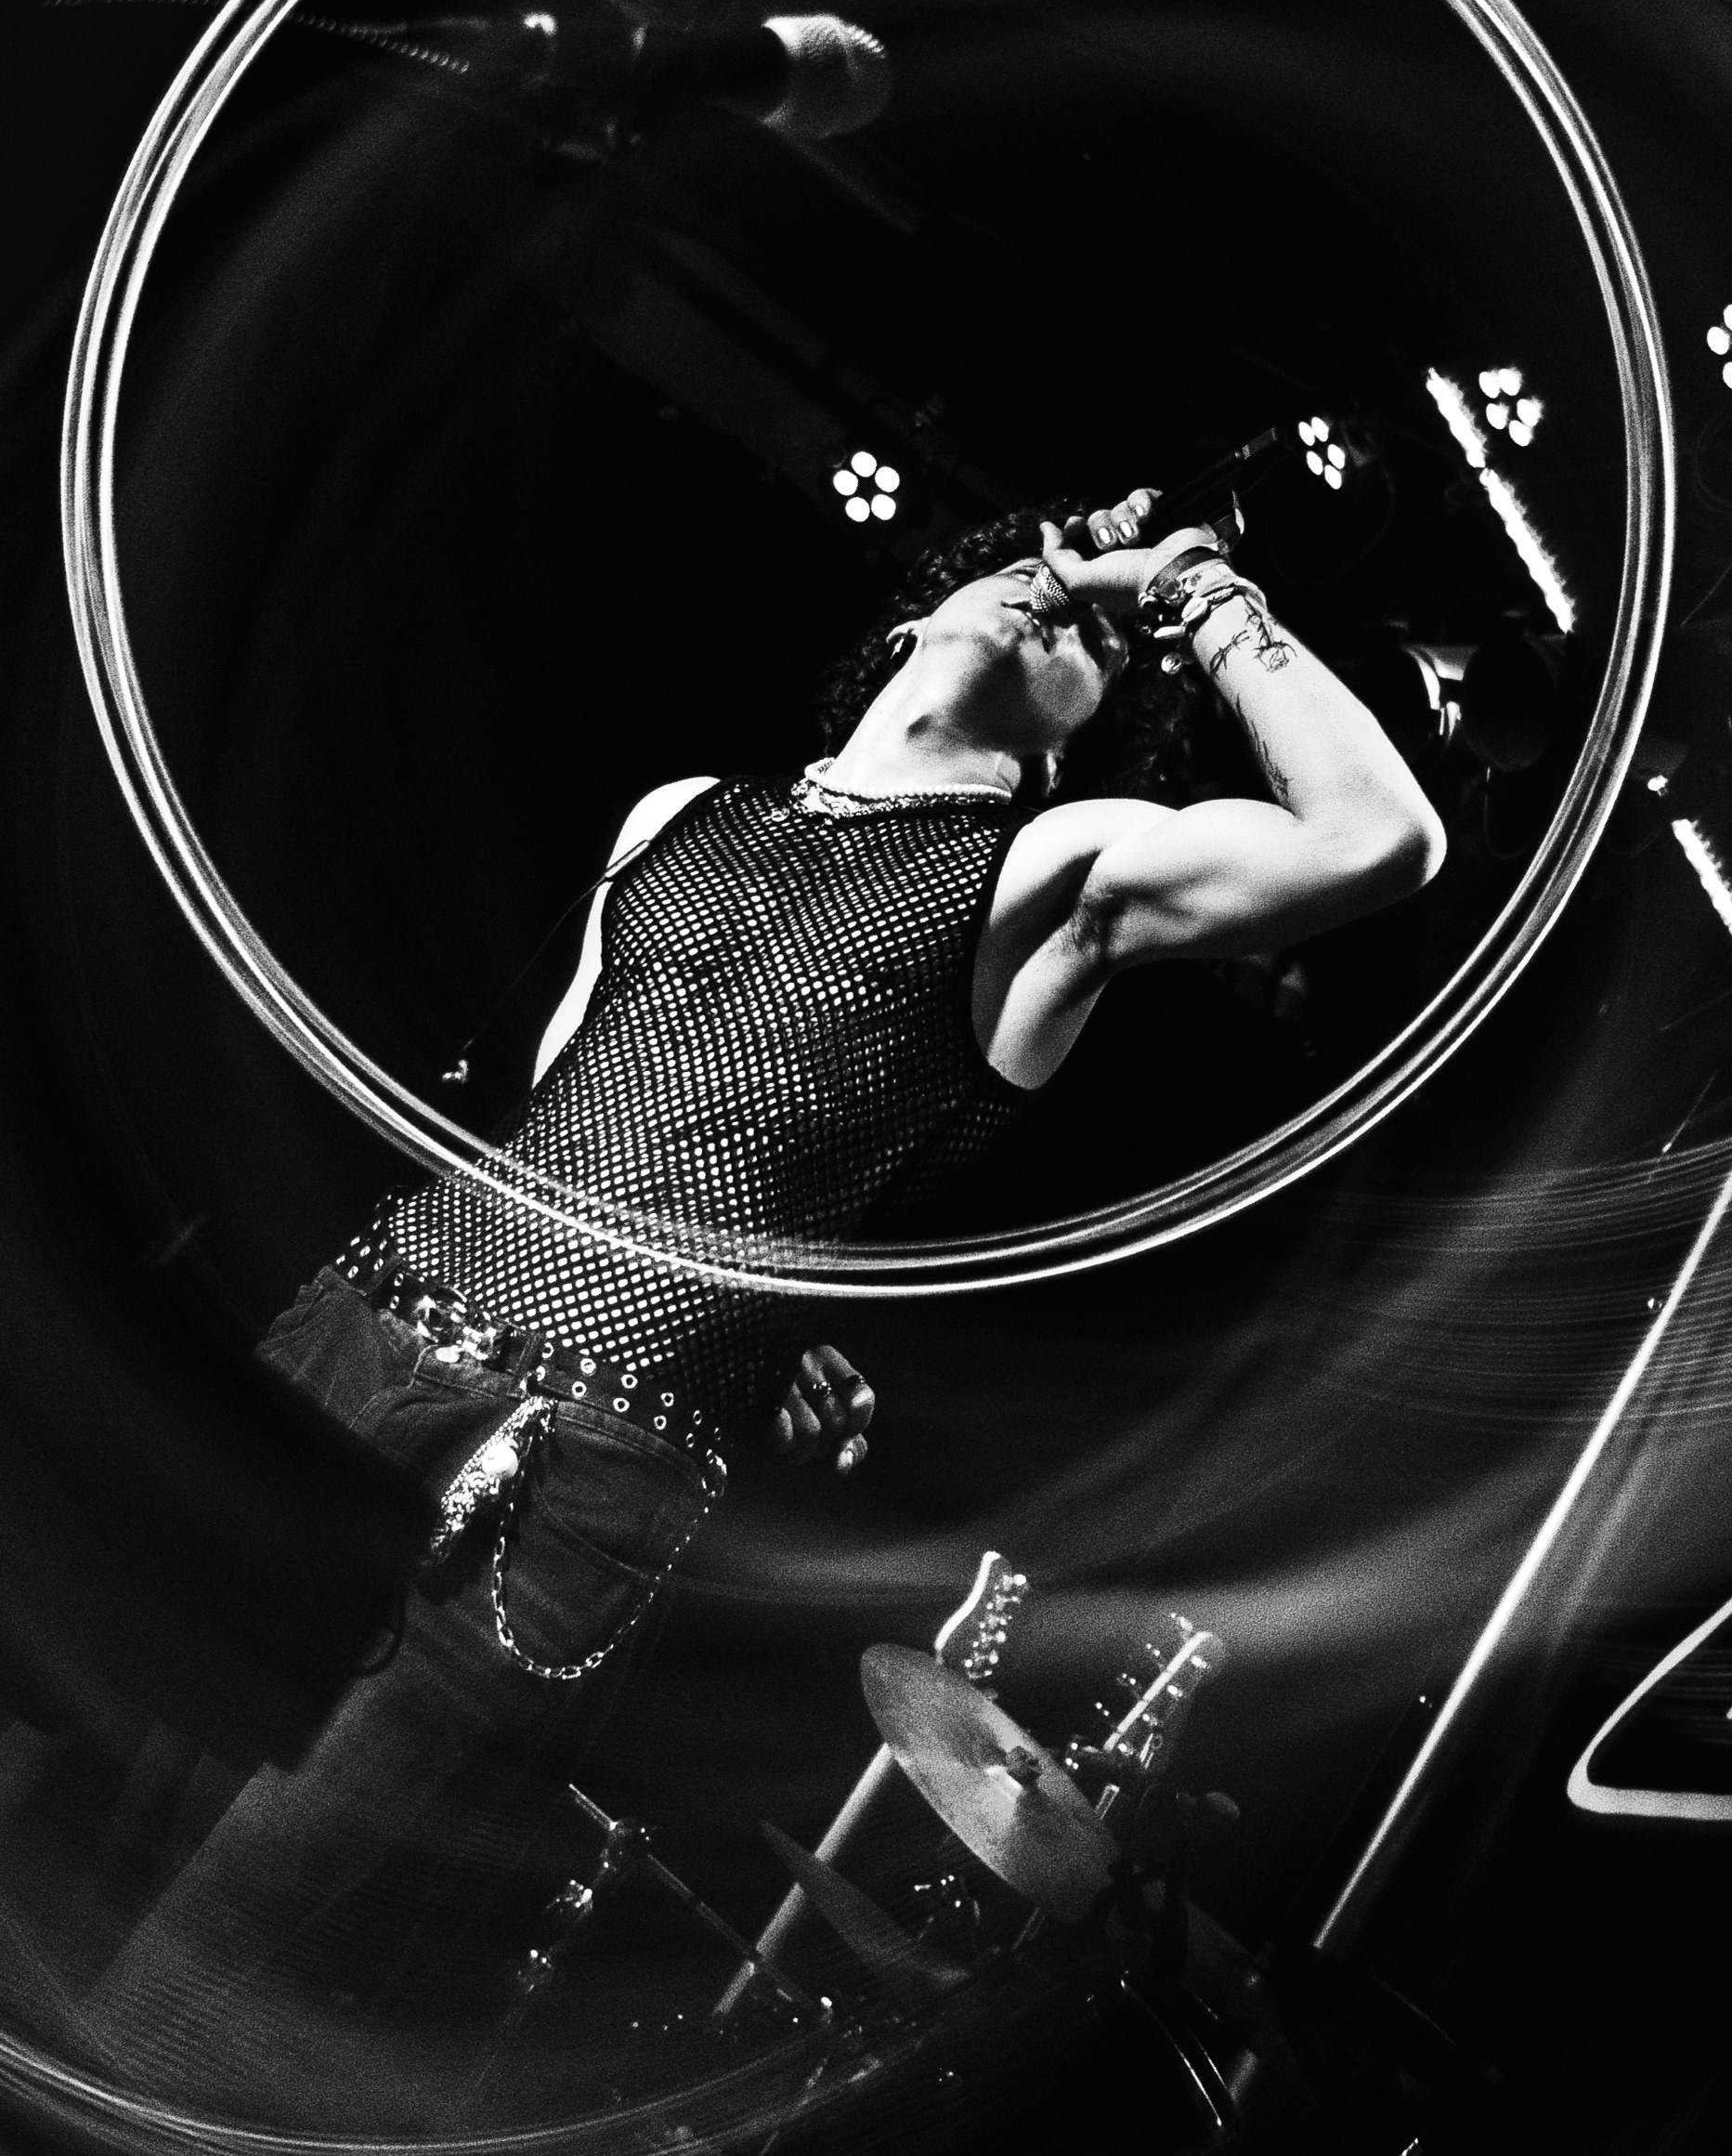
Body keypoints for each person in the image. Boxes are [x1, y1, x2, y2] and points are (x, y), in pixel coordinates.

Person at [84, 486, 1443, 2121]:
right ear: (908, 625)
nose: (1052, 596)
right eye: (1021, 571)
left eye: (1090, 632)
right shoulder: (676, 811)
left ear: (1085, 731)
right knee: (81, 1762)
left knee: (234, 1942)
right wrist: (765, 1296)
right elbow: (570, 1106)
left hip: (573, 1476)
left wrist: (1190, 587)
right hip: (352, 1336)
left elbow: (1375, 839)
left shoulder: (1051, 873)